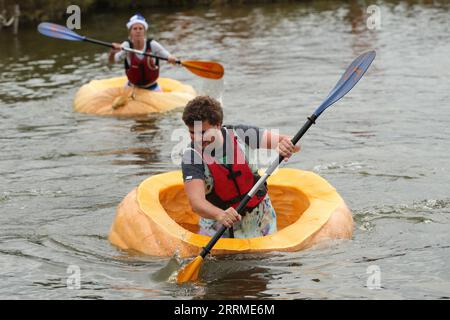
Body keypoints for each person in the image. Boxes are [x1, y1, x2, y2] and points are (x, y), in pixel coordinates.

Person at [181, 96, 301, 238]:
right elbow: (196, 203)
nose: (197, 139)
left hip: (260, 219)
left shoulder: (242, 134)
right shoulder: (192, 157)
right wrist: (220, 215)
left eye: (203, 132)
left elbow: (296, 143)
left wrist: (287, 145)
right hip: (219, 225)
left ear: (218, 125)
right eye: (192, 132)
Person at [108, 14, 178, 91]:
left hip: (152, 88)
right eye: (135, 29)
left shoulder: (152, 44)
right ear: (130, 32)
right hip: (132, 87)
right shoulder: (127, 45)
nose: (138, 31)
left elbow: (166, 55)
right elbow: (112, 61)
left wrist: (171, 58)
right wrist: (112, 53)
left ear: (144, 31)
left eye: (140, 28)